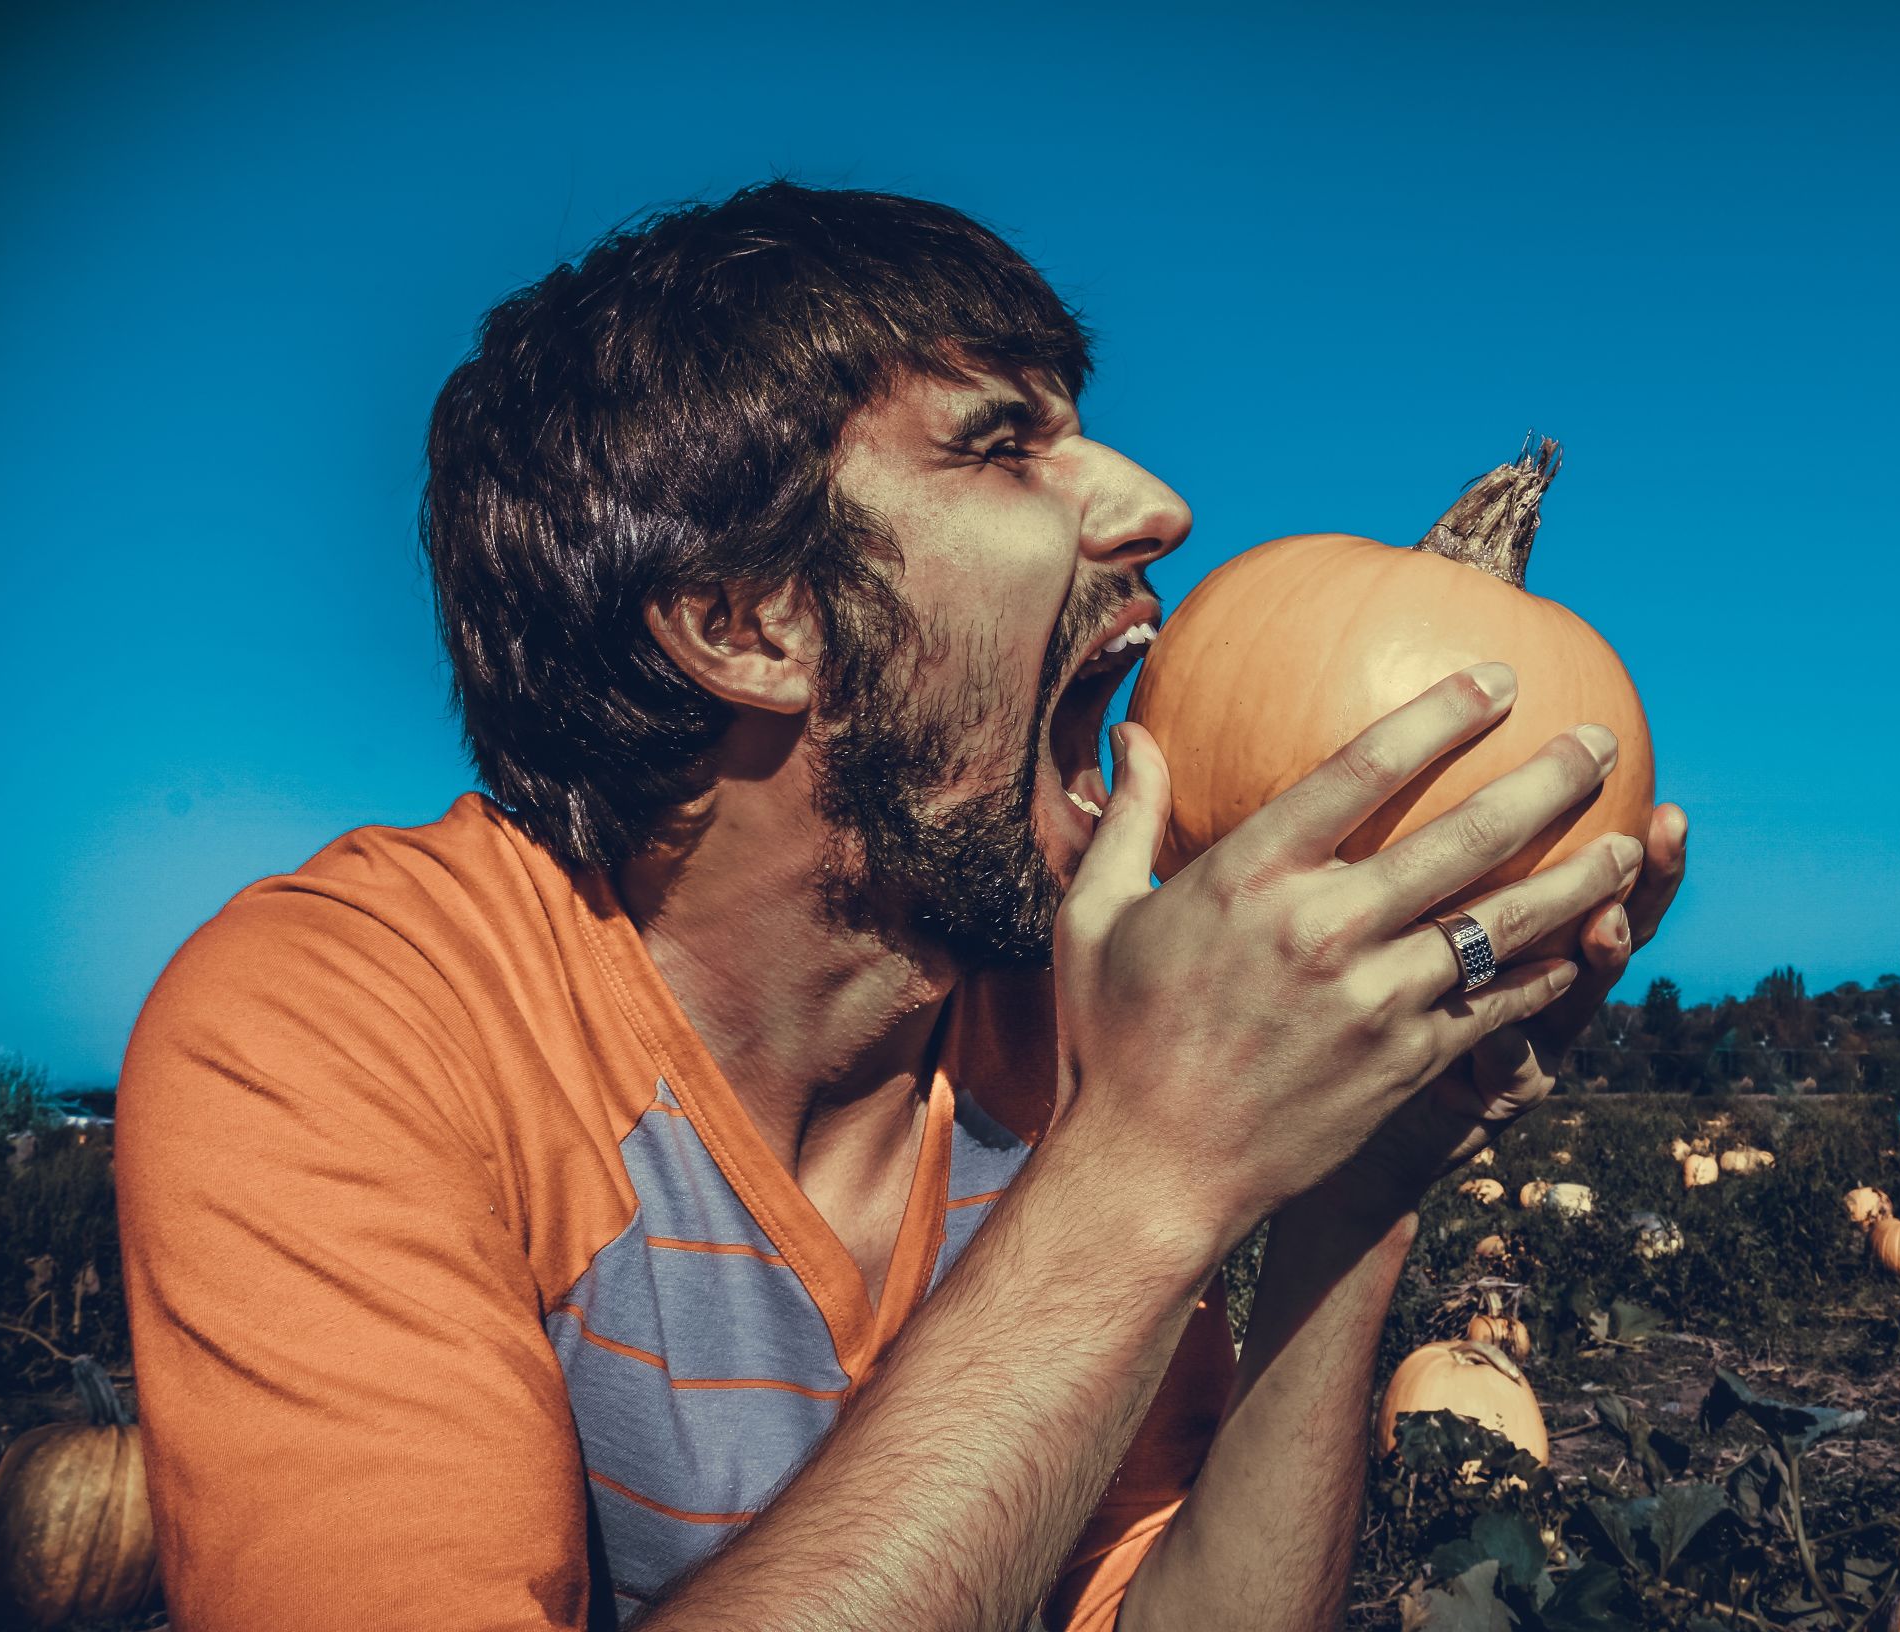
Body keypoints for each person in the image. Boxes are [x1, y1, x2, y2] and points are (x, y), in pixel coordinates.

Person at [115, 181, 1688, 1632]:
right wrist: (1143, 1173)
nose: (1157, 506)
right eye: (1002, 445)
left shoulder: (1061, 1026)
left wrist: (1361, 1184)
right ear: (748, 622)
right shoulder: (338, 1025)